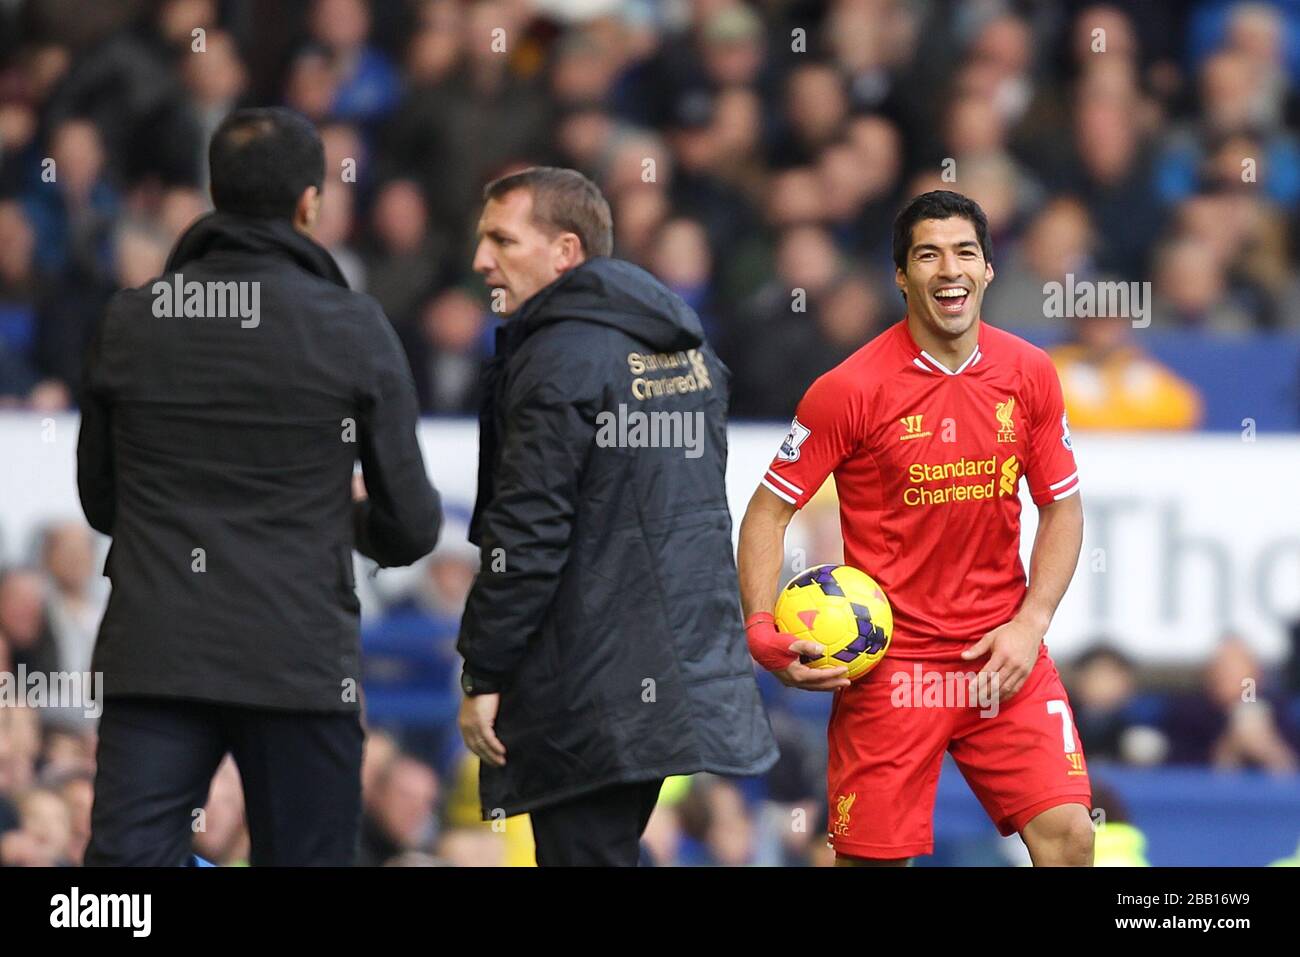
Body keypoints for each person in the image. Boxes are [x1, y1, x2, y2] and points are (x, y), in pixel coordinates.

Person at [77, 107, 441, 866]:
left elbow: (101, 503)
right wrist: (341, 516)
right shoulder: (354, 326)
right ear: (310, 202)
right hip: (298, 662)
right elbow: (410, 526)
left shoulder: (133, 319)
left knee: (118, 895)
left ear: (215, 191)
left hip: (156, 653)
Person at [737, 190, 1094, 866]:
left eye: (965, 252)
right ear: (902, 276)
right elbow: (767, 510)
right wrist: (762, 627)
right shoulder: (847, 389)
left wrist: (1032, 621)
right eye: (927, 254)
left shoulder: (1030, 374)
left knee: (1070, 835)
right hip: (891, 666)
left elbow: (1063, 506)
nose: (948, 269)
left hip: (1001, 653)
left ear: (989, 269)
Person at [456, 166, 778, 866]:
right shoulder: (687, 348)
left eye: (501, 240)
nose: (481, 260)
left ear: (565, 252)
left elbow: (528, 536)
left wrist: (484, 672)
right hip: (672, 667)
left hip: (586, 678)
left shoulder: (556, 359)